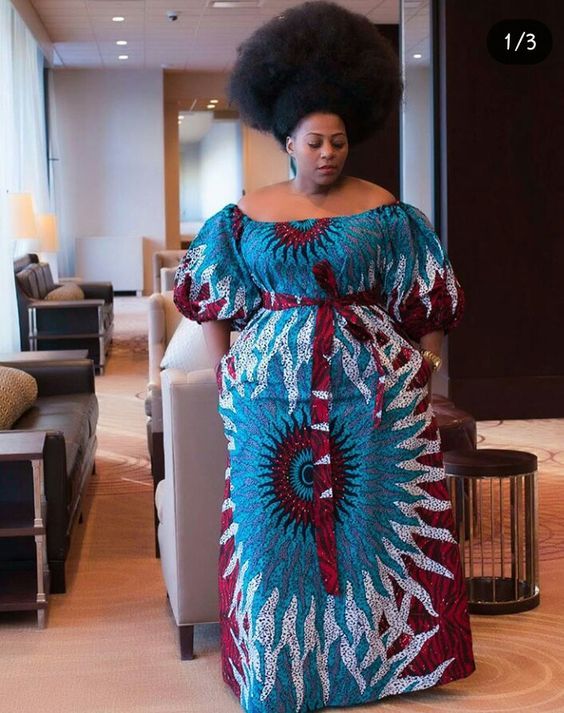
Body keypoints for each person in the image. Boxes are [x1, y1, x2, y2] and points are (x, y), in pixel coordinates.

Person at [173, 2, 475, 711]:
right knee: (270, 531)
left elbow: (431, 296)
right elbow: (210, 298)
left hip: (372, 399)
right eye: (315, 142)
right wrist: (226, 372)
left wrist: (425, 369)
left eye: (338, 141)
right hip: (269, 401)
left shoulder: (385, 211)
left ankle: (382, 665)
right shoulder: (243, 216)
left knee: (375, 526)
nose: (329, 154)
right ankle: (280, 672)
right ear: (288, 140)